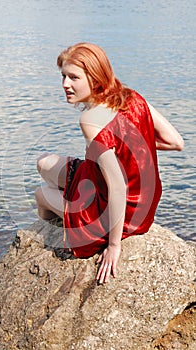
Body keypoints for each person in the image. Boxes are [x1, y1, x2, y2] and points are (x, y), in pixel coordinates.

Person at [35, 42, 184, 284]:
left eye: (74, 77)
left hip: (122, 211)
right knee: (43, 163)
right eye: (63, 76)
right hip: (144, 198)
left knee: (41, 194)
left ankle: (52, 225)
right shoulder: (132, 96)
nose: (65, 84)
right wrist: (131, 147)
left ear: (94, 78)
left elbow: (116, 186)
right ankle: (65, 206)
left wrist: (114, 246)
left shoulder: (91, 120)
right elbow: (176, 142)